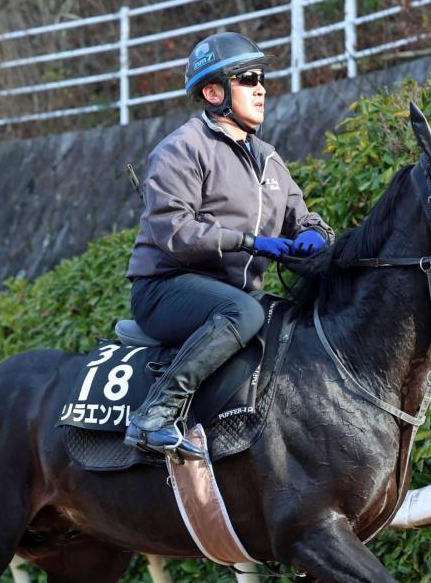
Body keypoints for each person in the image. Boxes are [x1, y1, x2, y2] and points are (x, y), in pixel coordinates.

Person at [124, 31, 333, 461]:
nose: (261, 88)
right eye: (248, 78)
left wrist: (315, 235)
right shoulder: (181, 149)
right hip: (167, 287)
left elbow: (304, 216)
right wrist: (252, 242)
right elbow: (176, 232)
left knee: (286, 315)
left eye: (263, 79)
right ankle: (154, 416)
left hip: (235, 294)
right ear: (214, 91)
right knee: (246, 311)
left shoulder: (270, 158)